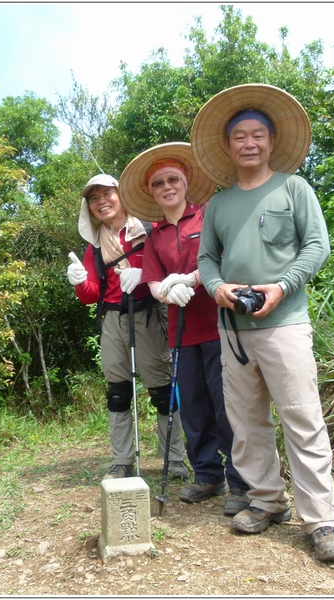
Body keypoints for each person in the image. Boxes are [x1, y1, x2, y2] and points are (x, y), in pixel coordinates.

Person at [192, 84, 334, 562]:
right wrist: (217, 287)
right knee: (246, 422)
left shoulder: (294, 188)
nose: (248, 143)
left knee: (302, 417)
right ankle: (265, 500)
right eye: (239, 136)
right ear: (228, 146)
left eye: (257, 134)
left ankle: (322, 519)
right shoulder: (218, 203)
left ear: (271, 140)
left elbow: (316, 247)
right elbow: (206, 260)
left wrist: (282, 286)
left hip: (286, 324)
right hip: (234, 331)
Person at [119, 142, 251, 516]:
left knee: (228, 408)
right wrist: (167, 290)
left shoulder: (209, 216)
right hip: (181, 334)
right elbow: (154, 283)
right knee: (193, 407)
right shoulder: (155, 235)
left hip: (221, 327)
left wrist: (191, 279)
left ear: (186, 181)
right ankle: (208, 475)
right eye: (158, 183)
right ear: (151, 191)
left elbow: (225, 258)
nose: (167, 187)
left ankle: (241, 482)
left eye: (173, 179)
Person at [66, 173, 189, 481]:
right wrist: (81, 282)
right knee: (118, 392)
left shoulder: (148, 230)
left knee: (162, 390)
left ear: (121, 195)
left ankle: (174, 458)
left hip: (149, 314)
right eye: (93, 199)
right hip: (112, 319)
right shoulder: (94, 246)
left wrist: (139, 271)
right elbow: (92, 294)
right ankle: (122, 460)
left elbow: (167, 269)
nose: (101, 202)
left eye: (107, 194)